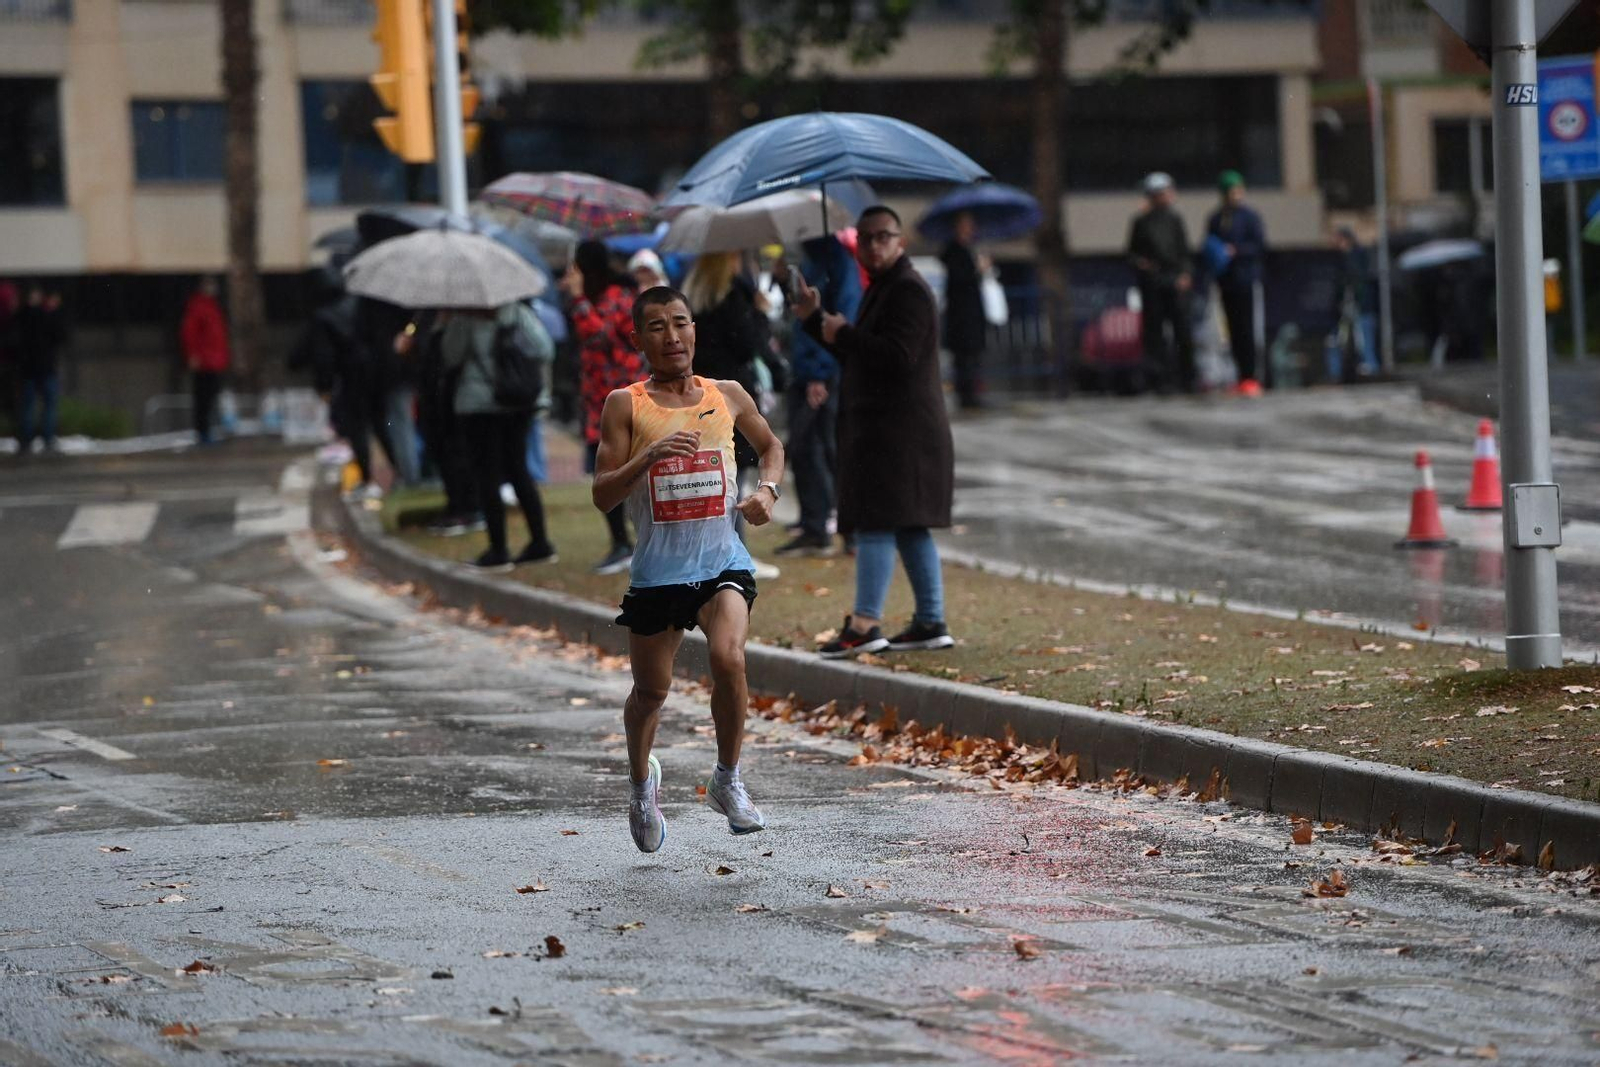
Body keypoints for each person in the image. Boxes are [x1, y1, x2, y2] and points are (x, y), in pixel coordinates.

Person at [591, 285, 784, 853]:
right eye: (657, 326)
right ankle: (640, 785)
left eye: (681, 322)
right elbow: (602, 495)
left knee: (729, 657)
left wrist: (768, 491)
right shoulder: (625, 404)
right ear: (639, 339)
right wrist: (646, 457)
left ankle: (727, 779)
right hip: (659, 572)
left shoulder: (726, 394)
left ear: (695, 329)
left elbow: (772, 447)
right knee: (651, 692)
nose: (672, 336)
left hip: (722, 557)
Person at [794, 206, 957, 658]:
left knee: (876, 523)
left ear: (900, 242)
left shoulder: (907, 290)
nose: (873, 246)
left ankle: (865, 624)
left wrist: (842, 333)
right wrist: (814, 320)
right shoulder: (884, 288)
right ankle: (930, 620)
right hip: (891, 431)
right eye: (865, 238)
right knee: (906, 526)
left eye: (883, 236)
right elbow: (861, 354)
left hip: (900, 433)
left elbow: (896, 357)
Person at [440, 301, 557, 570]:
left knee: (486, 475)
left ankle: (498, 549)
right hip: (517, 401)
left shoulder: (464, 316)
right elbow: (544, 349)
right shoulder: (517, 312)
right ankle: (540, 542)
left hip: (479, 404)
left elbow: (451, 355)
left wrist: (450, 325)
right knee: (519, 469)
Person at [775, 235, 860, 558]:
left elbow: (836, 321)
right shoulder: (813, 261)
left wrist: (819, 372)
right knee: (810, 448)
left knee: (821, 449)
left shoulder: (835, 264)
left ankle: (834, 527)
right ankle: (816, 525)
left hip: (823, 372)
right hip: (811, 370)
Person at [567, 240, 642, 575]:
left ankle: (634, 543)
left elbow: (599, 336)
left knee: (628, 472)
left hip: (623, 400)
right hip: (599, 399)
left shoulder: (616, 297)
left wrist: (579, 298)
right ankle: (620, 543)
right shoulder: (599, 298)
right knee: (606, 472)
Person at [1127, 172, 1196, 394]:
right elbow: (1131, 253)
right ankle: (1159, 380)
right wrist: (1142, 265)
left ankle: (1187, 378)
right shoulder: (1141, 222)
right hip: (1153, 283)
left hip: (1173, 279)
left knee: (1182, 331)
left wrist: (1185, 274)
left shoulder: (1175, 219)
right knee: (1154, 334)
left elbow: (1184, 250)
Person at [1204, 170, 1268, 390]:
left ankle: (1250, 376)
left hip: (1245, 279)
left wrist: (1236, 251)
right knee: (1230, 330)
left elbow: (1259, 246)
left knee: (1247, 328)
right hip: (1225, 280)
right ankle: (1239, 375)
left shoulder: (1249, 217)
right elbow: (1209, 246)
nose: (1237, 194)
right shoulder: (1216, 218)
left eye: (1239, 190)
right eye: (1232, 190)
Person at [940, 211, 988, 410]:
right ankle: (966, 395)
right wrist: (978, 270)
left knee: (973, 356)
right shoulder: (953, 251)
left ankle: (971, 393)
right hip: (961, 315)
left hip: (971, 313)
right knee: (964, 357)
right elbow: (959, 280)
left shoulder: (969, 249)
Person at [13, 286, 66, 455]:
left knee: (32, 406)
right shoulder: (40, 316)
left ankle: (30, 441)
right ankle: (44, 440)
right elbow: (60, 336)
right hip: (41, 368)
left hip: (31, 369)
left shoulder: (26, 316)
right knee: (44, 406)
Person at [180, 277, 230, 444]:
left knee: (210, 397)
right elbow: (190, 332)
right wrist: (193, 355)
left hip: (214, 360)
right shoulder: (199, 306)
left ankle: (208, 430)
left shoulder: (212, 306)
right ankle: (203, 432)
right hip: (205, 361)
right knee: (203, 398)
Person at [1326, 227, 1379, 382]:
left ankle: (1370, 365)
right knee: (1337, 338)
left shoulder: (1358, 256)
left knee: (1364, 334)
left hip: (1359, 302)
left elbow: (1358, 279)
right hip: (1344, 304)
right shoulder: (1339, 259)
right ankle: (1335, 371)